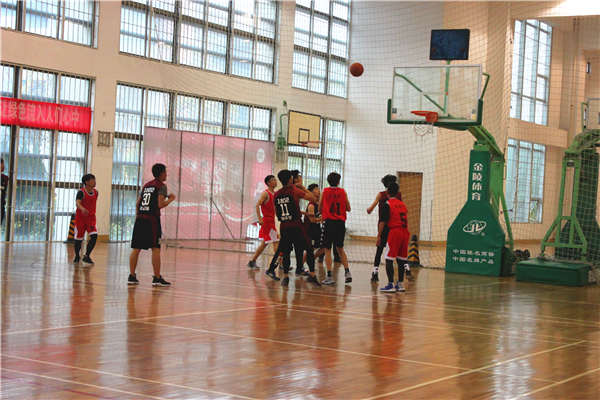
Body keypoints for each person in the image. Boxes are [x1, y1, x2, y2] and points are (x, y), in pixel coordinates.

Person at [264, 169, 321, 287]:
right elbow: (313, 198)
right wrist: (303, 187)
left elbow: (276, 213)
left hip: (284, 226)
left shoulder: (276, 194)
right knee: (309, 248)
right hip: (296, 225)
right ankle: (312, 275)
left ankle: (285, 277)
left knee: (285, 251)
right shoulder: (294, 191)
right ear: (290, 179)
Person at [128, 163, 176, 287]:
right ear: (162, 173)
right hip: (152, 220)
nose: (166, 174)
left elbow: (137, 204)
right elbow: (160, 204)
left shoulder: (146, 185)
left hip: (140, 218)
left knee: (136, 248)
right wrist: (170, 199)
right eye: (165, 172)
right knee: (156, 248)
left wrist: (138, 216)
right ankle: (157, 278)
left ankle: (132, 276)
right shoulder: (161, 186)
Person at [367, 174, 404, 283]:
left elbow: (371, 208)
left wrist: (368, 209)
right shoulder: (398, 195)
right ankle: (405, 271)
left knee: (379, 250)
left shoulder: (381, 195)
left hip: (384, 226)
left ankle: (375, 273)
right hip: (396, 227)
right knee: (398, 251)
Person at [319, 172, 352, 285]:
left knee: (327, 250)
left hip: (329, 223)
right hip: (340, 223)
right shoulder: (343, 192)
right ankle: (347, 272)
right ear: (338, 182)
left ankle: (329, 276)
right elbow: (348, 208)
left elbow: (319, 208)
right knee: (340, 249)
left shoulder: (324, 191)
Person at [377, 182, 410, 293]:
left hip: (395, 232)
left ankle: (390, 284)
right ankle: (400, 283)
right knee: (401, 259)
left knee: (389, 258)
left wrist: (379, 236)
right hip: (405, 232)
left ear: (387, 192)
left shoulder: (388, 204)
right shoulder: (403, 204)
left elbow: (382, 222)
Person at [247, 175, 279, 270]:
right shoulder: (265, 193)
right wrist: (260, 219)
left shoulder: (275, 194)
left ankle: (252, 261)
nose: (275, 181)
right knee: (275, 242)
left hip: (271, 220)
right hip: (267, 221)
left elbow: (274, 208)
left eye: (275, 180)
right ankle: (281, 264)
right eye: (273, 180)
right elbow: (257, 205)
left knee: (266, 243)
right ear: (268, 183)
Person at [73, 174, 98, 264]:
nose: (94, 181)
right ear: (86, 182)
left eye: (94, 179)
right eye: (92, 180)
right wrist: (82, 209)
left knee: (94, 236)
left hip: (91, 218)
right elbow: (77, 203)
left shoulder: (96, 192)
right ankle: (77, 256)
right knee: (78, 240)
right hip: (81, 218)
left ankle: (87, 256)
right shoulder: (81, 192)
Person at [303, 183, 325, 264]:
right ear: (311, 192)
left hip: (317, 227)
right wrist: (324, 218)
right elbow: (312, 220)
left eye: (318, 189)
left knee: (324, 247)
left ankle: (310, 260)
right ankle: (300, 266)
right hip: (310, 229)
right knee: (311, 248)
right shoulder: (311, 205)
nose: (318, 190)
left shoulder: (320, 203)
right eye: (316, 189)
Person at [1, 158, 8, 224]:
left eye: (3, 164)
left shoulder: (5, 178)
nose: (3, 166)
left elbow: (4, 192)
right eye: (2, 164)